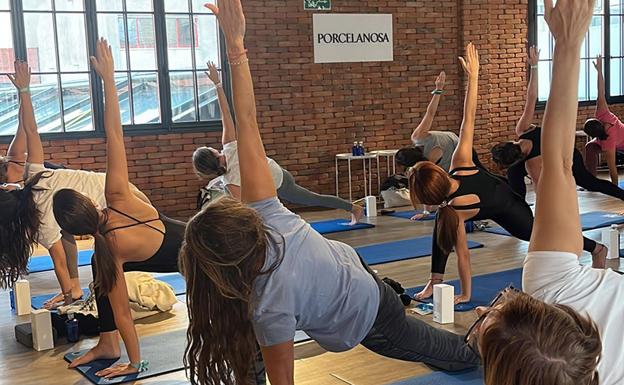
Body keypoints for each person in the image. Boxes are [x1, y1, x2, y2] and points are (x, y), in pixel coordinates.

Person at [179, 2, 480, 385]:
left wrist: (234, 49)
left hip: (370, 312)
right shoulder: (266, 213)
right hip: (349, 270)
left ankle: (492, 342)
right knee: (247, 333)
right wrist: (235, 46)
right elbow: (248, 120)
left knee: (458, 356)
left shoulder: (269, 301)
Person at [471, 1, 621, 384]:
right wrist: (568, 44)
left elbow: (554, 164)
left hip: (551, 201)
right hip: (558, 180)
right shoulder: (551, 286)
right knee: (595, 183)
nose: (481, 313)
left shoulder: (551, 284)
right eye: (488, 319)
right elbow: (557, 163)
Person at [409, 43, 606, 304]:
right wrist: (474, 76)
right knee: (441, 227)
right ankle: (435, 281)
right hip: (481, 199)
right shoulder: (456, 181)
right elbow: (468, 118)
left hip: (507, 204)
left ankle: (596, 248)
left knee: (537, 234)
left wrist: (466, 294)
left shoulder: (458, 183)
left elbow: (465, 255)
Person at [51, 39, 189, 380]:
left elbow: (124, 313)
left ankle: (112, 347)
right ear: (90, 202)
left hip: (199, 255)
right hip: (192, 234)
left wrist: (136, 364)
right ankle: (107, 345)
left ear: (78, 233)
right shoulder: (117, 196)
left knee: (102, 268)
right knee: (100, 266)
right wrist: (109, 80)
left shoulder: (110, 252)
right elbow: (114, 134)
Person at [0, 60, 151, 309]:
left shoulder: (39, 222)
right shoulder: (36, 176)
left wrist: (68, 299)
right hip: (118, 191)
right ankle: (78, 289)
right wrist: (25, 91)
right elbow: (32, 130)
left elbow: (58, 261)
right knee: (73, 235)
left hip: (117, 200)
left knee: (121, 261)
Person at [192, 62, 364, 223]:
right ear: (213, 153)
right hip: (274, 179)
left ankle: (353, 208)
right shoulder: (229, 149)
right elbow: (226, 114)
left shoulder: (229, 178)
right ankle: (352, 208)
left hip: (279, 182)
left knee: (311, 198)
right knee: (308, 200)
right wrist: (217, 84)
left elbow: (244, 207)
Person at [491, 47, 624, 202]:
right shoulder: (522, 129)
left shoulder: (533, 165)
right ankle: (518, 209)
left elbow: (544, 194)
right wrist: (534, 66)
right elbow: (531, 97)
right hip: (550, 154)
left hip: (568, 154)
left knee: (589, 183)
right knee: (514, 174)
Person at [583, 54, 624, 185]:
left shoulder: (608, 141)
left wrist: (615, 190)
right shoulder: (602, 113)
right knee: (589, 147)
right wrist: (599, 71)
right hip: (612, 140)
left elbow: (612, 169)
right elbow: (601, 90)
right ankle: (591, 180)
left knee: (609, 158)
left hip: (621, 141)